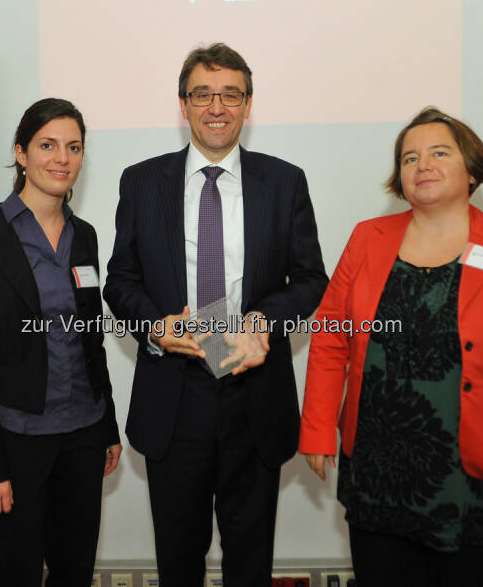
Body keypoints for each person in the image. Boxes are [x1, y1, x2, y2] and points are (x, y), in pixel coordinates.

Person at [299, 106, 483, 586]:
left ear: (471, 169)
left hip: (473, 478)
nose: (421, 165)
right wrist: (319, 429)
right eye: (409, 158)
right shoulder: (367, 238)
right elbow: (329, 339)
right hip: (378, 472)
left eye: (439, 153)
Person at [103, 43, 328, 586]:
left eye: (231, 94)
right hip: (174, 396)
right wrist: (155, 329)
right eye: (203, 94)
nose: (217, 107)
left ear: (249, 105)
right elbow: (121, 281)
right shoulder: (141, 181)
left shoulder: (284, 181)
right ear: (183, 105)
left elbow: (311, 280)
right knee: (178, 561)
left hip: (254, 398)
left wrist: (262, 324)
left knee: (249, 563)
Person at [0, 98, 122, 587]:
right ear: (21, 153)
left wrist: (107, 426)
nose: (61, 159)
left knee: (74, 571)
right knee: (17, 573)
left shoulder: (84, 235)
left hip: (83, 435)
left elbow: (92, 339)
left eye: (73, 147)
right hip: (15, 441)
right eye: (47, 145)